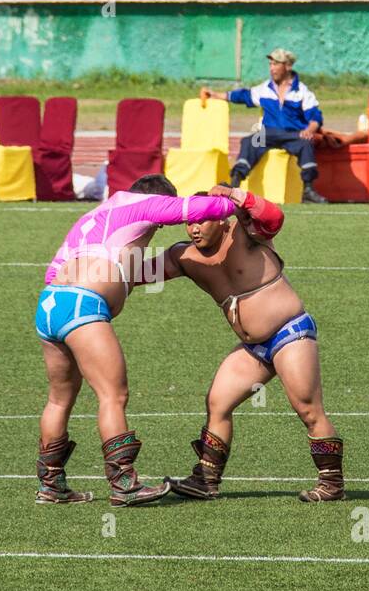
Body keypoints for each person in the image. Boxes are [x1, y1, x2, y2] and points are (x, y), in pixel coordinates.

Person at [36, 174, 242, 507]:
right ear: (158, 200)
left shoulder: (96, 215)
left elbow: (56, 270)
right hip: (82, 305)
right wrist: (238, 199)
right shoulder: (144, 204)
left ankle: (51, 485)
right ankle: (124, 485)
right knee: (113, 395)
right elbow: (201, 206)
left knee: (59, 400)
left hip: (50, 305)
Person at [155, 185, 347, 503]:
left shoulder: (245, 229)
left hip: (290, 333)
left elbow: (274, 216)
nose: (194, 228)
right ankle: (206, 480)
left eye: (202, 220)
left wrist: (234, 193)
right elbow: (138, 272)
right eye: (189, 222)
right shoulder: (183, 255)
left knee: (308, 409)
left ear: (220, 218)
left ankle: (332, 484)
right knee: (218, 403)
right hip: (253, 348)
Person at [200, 48, 328, 205]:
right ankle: (235, 184)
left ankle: (308, 190)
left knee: (306, 143)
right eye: (270, 64)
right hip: (268, 134)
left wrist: (309, 130)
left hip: (293, 134)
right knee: (250, 141)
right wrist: (214, 94)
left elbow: (315, 116)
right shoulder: (264, 88)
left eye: (276, 64)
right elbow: (243, 96)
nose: (272, 68)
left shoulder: (302, 91)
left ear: (287, 66)